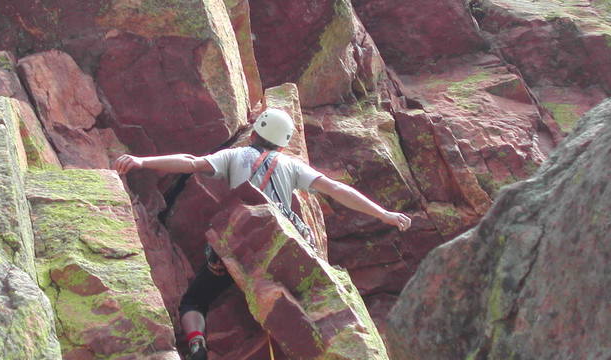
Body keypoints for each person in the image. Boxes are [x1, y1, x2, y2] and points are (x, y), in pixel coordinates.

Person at [113, 108, 412, 360]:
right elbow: (336, 189)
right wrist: (383, 214)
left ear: (254, 133)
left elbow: (190, 162)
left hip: (241, 243)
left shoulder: (235, 156)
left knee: (194, 301)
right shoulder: (291, 165)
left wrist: (142, 161)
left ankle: (196, 342)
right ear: (282, 144)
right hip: (285, 245)